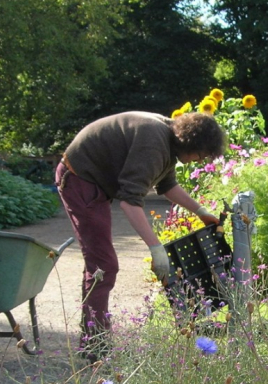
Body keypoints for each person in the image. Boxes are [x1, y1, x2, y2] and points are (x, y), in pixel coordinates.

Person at [55, 111, 225, 354]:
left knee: (100, 265)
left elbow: (167, 185)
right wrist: (155, 248)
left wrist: (200, 211)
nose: (200, 160)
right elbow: (130, 201)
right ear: (191, 143)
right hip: (80, 178)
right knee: (103, 265)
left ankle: (92, 340)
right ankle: (96, 346)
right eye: (201, 154)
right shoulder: (154, 141)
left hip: (94, 180)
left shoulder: (168, 139)